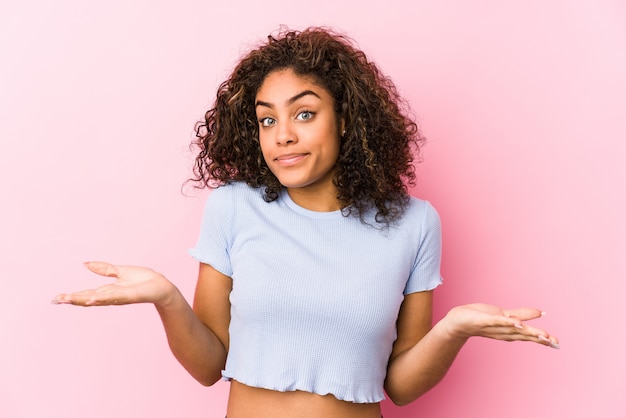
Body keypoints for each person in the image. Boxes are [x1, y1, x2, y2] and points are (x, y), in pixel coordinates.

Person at [52, 27, 559, 418]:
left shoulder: (414, 223)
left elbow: (401, 387)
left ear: (345, 119)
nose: (282, 136)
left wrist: (453, 329)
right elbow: (210, 365)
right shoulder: (233, 208)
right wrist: (165, 296)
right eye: (268, 119)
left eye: (304, 113)